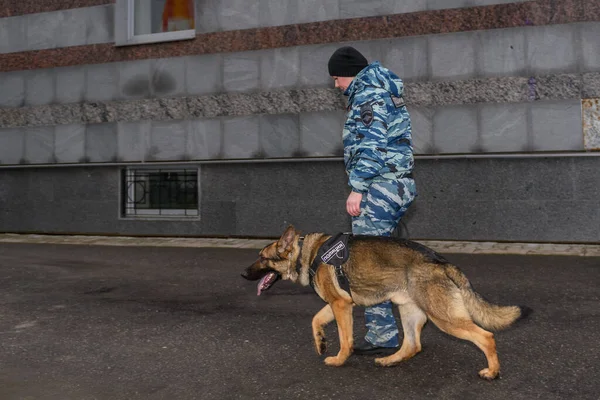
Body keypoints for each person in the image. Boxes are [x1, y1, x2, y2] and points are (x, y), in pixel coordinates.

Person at [328, 46, 417, 355]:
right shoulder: (383, 90)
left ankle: (382, 335)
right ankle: (409, 325)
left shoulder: (368, 96)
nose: (337, 86)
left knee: (369, 264)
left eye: (336, 79)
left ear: (346, 74)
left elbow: (373, 147)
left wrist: (358, 187)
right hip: (397, 186)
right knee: (390, 262)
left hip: (379, 189)